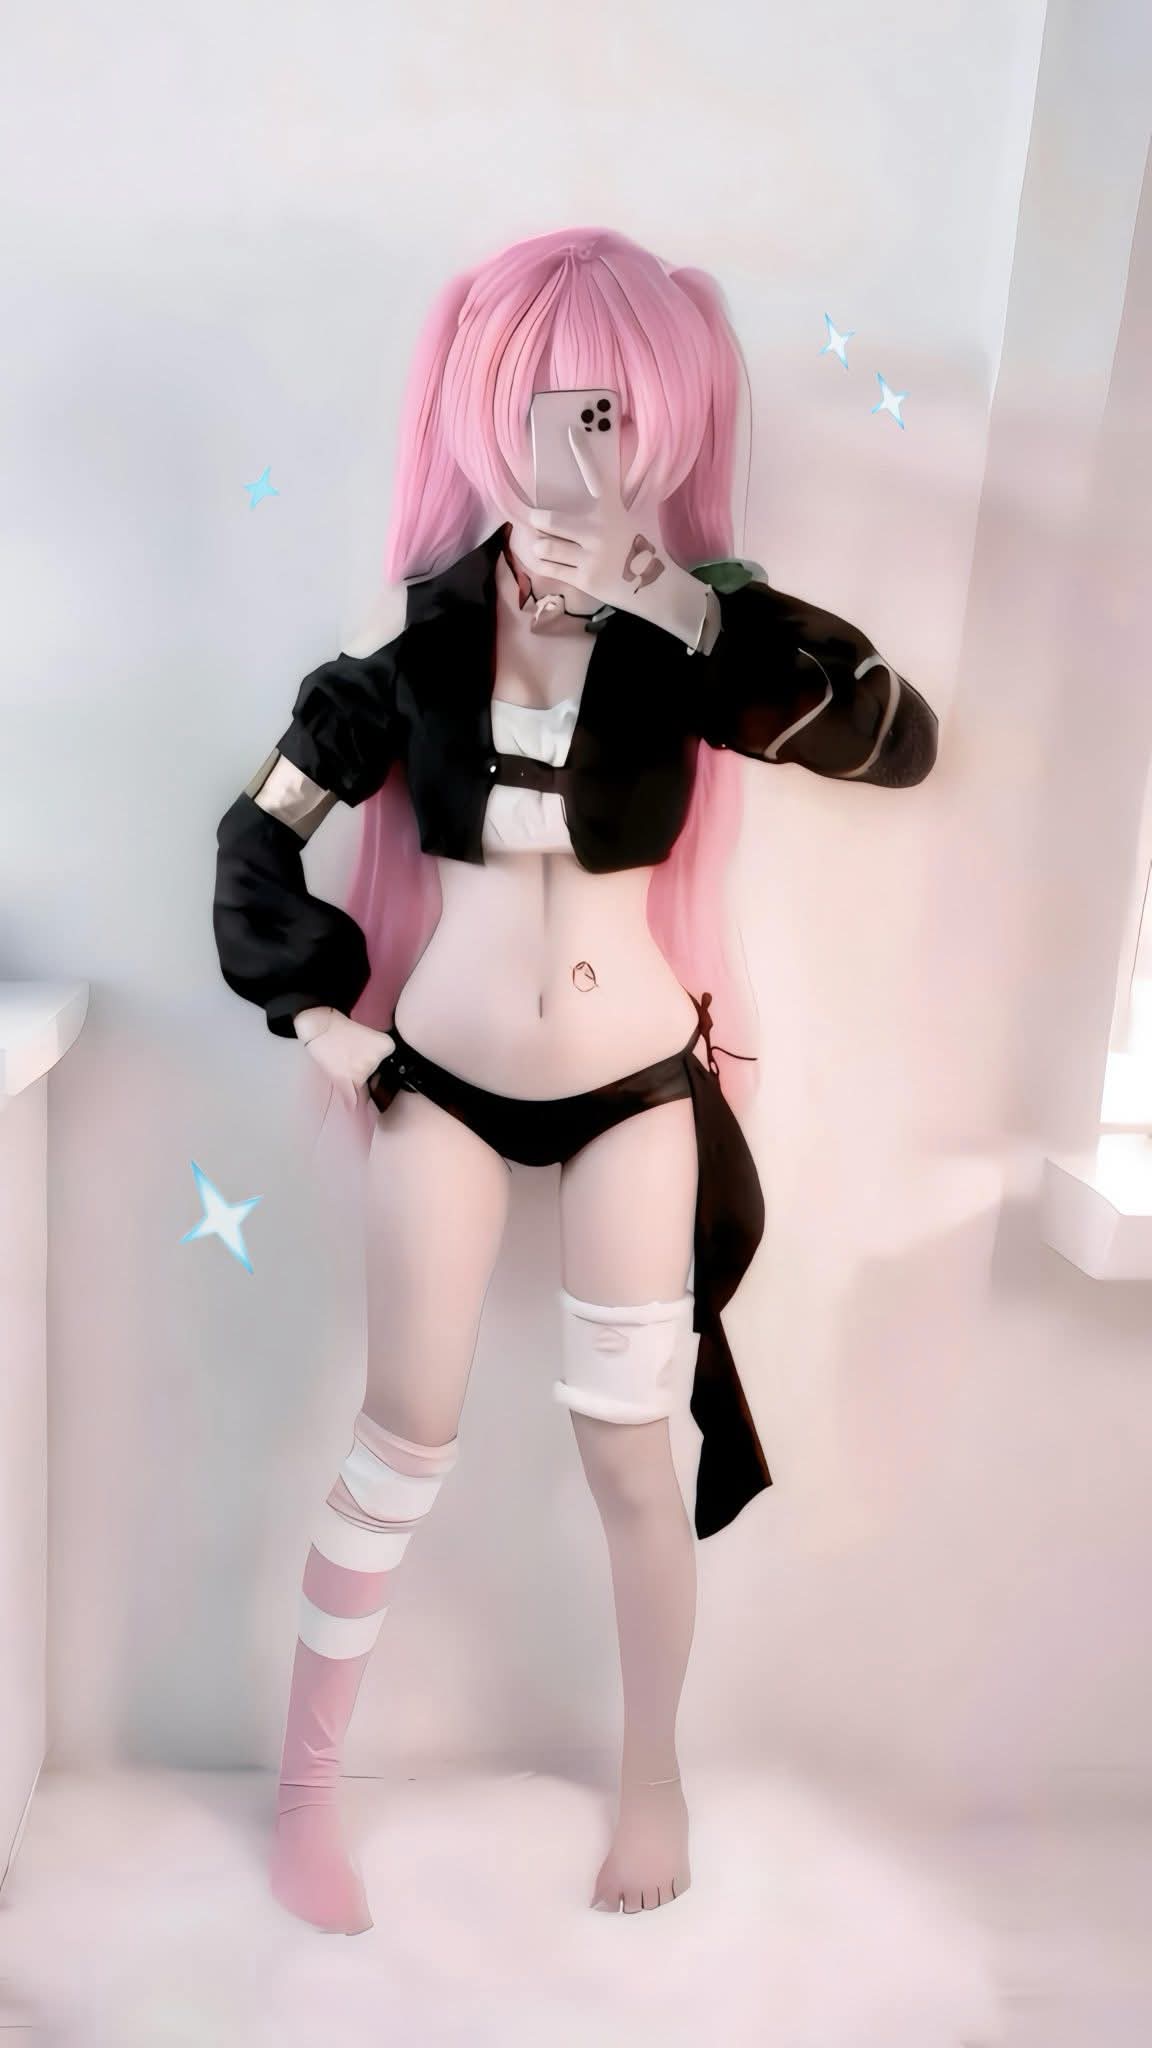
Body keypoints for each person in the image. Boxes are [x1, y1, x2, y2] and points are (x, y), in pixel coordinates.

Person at [212, 226, 938, 1933]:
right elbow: (259, 830)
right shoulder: (415, 636)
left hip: (633, 1094)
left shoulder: (708, 632)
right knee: (401, 1435)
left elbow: (899, 740)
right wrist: (316, 1017)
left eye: (615, 411)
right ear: (480, 407)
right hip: (443, 1087)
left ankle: (652, 1774)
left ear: (668, 419)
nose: (580, 447)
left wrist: (677, 598)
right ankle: (307, 1791)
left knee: (630, 1454)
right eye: (548, 406)